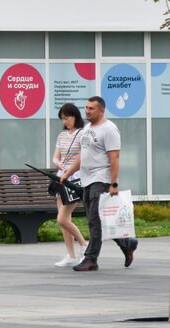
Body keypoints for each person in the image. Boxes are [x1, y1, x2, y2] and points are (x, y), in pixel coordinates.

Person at [60, 96, 138, 271]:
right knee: (98, 221)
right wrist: (68, 173)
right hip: (86, 179)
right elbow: (83, 155)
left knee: (94, 221)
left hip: (100, 179)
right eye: (86, 108)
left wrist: (114, 183)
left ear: (101, 110)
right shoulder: (87, 128)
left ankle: (91, 259)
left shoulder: (109, 129)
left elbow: (114, 157)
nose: (87, 111)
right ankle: (127, 244)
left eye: (91, 108)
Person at [51, 103, 88, 267]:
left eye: (67, 117)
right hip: (61, 178)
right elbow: (55, 157)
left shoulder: (83, 134)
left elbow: (83, 158)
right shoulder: (62, 136)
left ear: (75, 116)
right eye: (63, 119)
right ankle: (71, 255)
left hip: (75, 179)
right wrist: (58, 163)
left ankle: (85, 245)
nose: (65, 121)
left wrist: (68, 170)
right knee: (65, 219)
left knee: (62, 219)